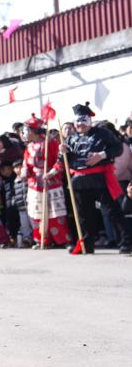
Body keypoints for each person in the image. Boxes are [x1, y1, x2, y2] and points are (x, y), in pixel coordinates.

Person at [60, 103, 127, 254]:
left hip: (100, 178)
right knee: (84, 215)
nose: (80, 124)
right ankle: (87, 244)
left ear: (89, 120)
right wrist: (62, 152)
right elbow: (64, 161)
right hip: (79, 181)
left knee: (112, 211)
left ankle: (127, 242)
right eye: (77, 121)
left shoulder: (103, 133)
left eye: (83, 120)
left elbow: (118, 148)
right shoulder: (70, 139)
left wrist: (101, 155)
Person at [20, 115, 69, 248]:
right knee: (37, 213)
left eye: (25, 130)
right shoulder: (29, 147)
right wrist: (24, 170)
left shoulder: (50, 143)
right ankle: (41, 239)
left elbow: (60, 161)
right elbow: (26, 163)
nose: (23, 133)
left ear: (32, 131)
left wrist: (51, 173)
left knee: (55, 213)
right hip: (34, 184)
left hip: (51, 182)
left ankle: (61, 240)